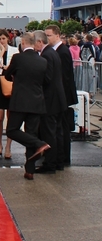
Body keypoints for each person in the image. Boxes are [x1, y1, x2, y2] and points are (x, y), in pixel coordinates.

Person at [4, 32, 51, 180]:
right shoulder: (42, 60)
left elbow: (6, 75)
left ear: (23, 42)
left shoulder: (18, 58)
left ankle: (40, 143)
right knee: (30, 133)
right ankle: (30, 170)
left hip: (20, 101)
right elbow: (47, 80)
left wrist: (15, 76)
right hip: (36, 102)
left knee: (12, 130)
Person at [33, 31, 67, 173]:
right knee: (57, 132)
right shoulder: (53, 53)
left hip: (50, 100)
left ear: (40, 42)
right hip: (58, 99)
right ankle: (59, 161)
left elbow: (47, 78)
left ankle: (50, 164)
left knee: (49, 133)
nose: (34, 47)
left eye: (34, 43)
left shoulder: (46, 55)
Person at [44, 24, 78, 167]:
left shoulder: (62, 52)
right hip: (60, 97)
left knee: (62, 128)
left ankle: (62, 157)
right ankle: (59, 156)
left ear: (57, 35)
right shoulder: (56, 51)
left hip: (62, 96)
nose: (47, 38)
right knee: (59, 128)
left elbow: (64, 78)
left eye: (49, 35)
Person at [0, 28, 18, 159]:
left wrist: (8, 67)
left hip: (11, 80)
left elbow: (16, 65)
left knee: (11, 115)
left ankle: (8, 146)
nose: (2, 41)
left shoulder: (15, 50)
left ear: (8, 39)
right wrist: (2, 52)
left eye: (4, 38)